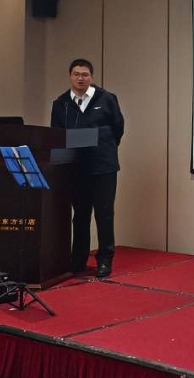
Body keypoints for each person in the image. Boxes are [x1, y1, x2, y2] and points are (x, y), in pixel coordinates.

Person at [50, 58, 124, 278]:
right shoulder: (61, 103)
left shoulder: (107, 99)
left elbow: (118, 129)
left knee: (104, 214)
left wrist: (104, 146)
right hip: (75, 168)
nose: (80, 78)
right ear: (70, 76)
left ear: (91, 77)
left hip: (103, 167)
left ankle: (105, 259)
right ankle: (78, 259)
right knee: (80, 215)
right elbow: (56, 134)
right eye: (76, 74)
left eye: (84, 74)